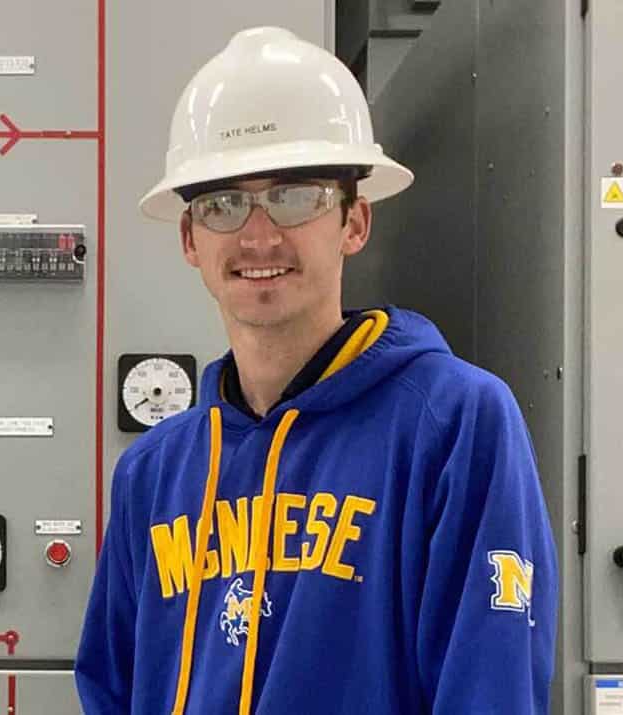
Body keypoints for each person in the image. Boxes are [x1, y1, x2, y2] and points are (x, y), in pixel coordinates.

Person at [75, 26, 557, 714]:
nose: (260, 234)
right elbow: (109, 691)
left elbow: (491, 689)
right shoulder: (153, 474)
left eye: (297, 197)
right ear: (190, 238)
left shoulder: (453, 426)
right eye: (223, 203)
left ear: (355, 222)